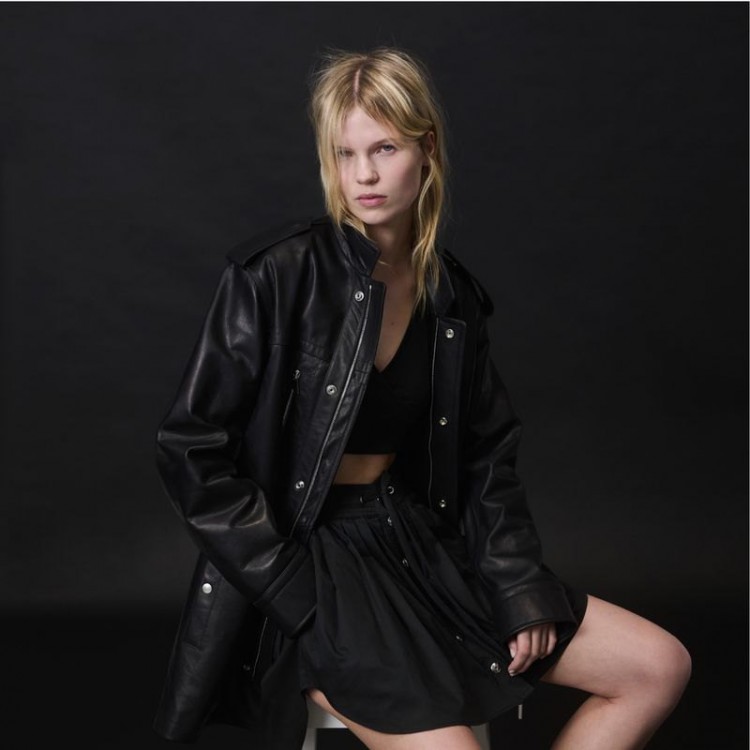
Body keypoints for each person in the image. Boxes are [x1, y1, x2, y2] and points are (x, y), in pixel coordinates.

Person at [152, 48, 691, 750]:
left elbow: (484, 456)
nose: (364, 175)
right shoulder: (277, 275)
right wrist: (287, 587)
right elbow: (189, 448)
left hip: (414, 542)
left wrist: (518, 585)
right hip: (313, 562)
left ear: (426, 149)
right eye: (345, 154)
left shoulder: (452, 296)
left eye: (384, 148)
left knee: (657, 666)